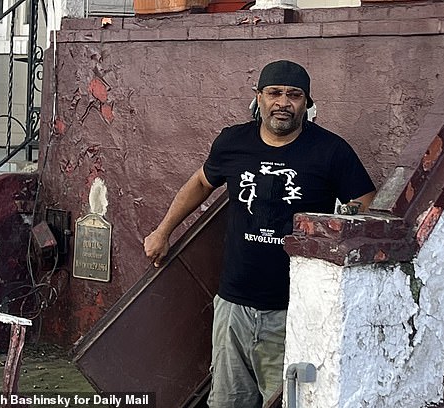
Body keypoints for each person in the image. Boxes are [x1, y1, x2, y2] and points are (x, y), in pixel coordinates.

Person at [143, 60, 376, 407]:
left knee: (284, 400)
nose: (283, 102)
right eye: (275, 93)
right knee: (227, 400)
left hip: (293, 308)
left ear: (307, 103)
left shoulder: (330, 151)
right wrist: (163, 231)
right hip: (233, 304)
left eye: (294, 95)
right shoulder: (233, 142)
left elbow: (365, 200)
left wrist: (338, 234)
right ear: (259, 98)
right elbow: (200, 183)